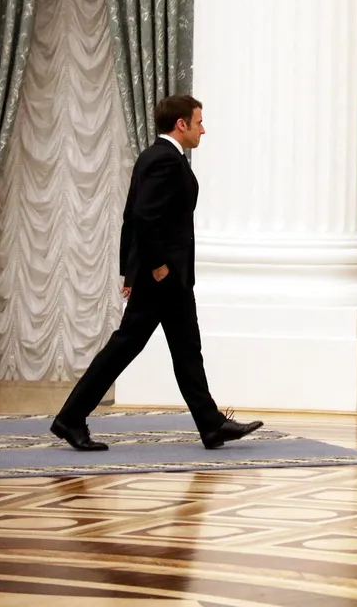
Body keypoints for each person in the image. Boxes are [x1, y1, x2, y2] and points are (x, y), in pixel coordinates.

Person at [51, 95, 262, 451]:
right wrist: (154, 266)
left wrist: (130, 272)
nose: (203, 129)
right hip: (162, 278)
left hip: (167, 277)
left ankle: (211, 426)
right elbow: (143, 216)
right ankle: (70, 418)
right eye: (199, 122)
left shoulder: (157, 157)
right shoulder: (164, 159)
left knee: (186, 351)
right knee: (125, 348)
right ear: (181, 124)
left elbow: (131, 216)